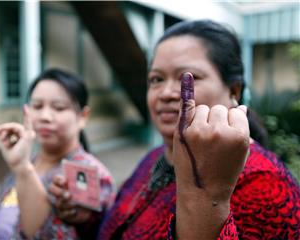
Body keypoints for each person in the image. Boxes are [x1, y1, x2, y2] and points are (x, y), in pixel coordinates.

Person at [48, 20, 300, 239]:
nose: (166, 93)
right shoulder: (154, 159)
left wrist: (205, 197)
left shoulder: (265, 185)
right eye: (156, 79)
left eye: (187, 78)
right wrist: (87, 219)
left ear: (233, 90)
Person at [0, 68, 116, 239]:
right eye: (37, 106)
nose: (45, 116)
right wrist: (21, 165)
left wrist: (23, 168)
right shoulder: (27, 162)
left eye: (59, 107)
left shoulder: (91, 175)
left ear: (83, 117)